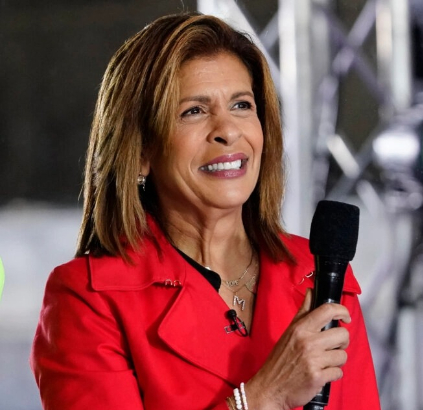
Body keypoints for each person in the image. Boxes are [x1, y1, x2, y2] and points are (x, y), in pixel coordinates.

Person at [30, 12, 380, 410]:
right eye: (193, 111)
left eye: (241, 105)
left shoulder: (319, 276)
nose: (228, 129)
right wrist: (263, 398)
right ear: (141, 151)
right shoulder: (89, 300)